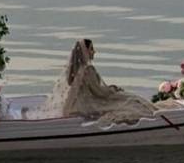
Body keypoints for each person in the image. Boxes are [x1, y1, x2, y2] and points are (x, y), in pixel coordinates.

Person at [33, 38, 161, 125]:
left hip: (75, 104)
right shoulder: (88, 69)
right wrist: (113, 89)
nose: (95, 52)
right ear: (86, 51)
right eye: (92, 49)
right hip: (87, 105)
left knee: (128, 99)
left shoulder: (76, 70)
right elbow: (100, 92)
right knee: (131, 101)